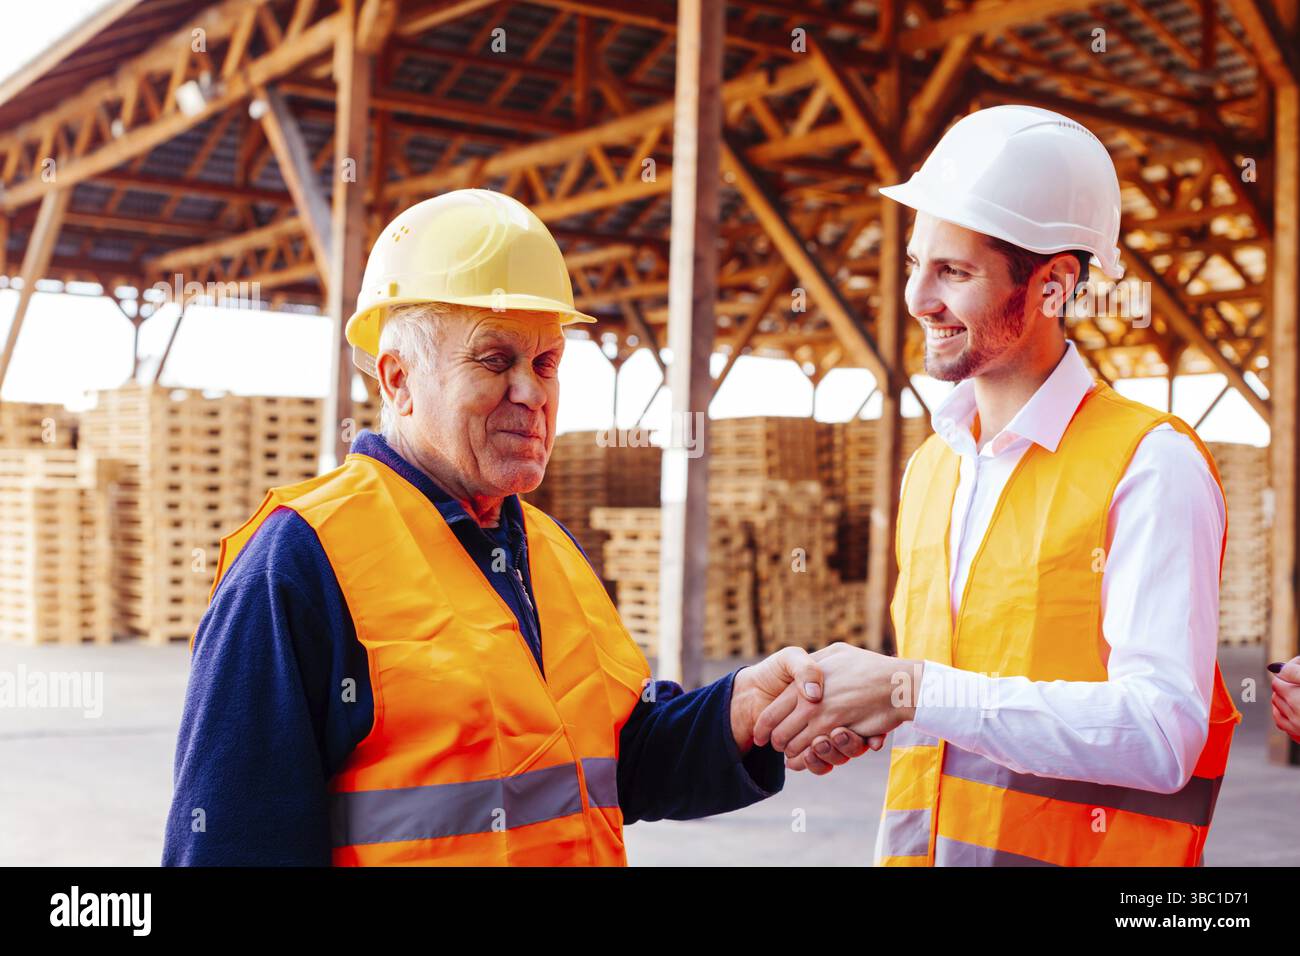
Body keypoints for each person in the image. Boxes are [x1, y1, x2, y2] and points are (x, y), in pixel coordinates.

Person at [163, 189, 874, 867]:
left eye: (546, 363)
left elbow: (618, 759)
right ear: (397, 379)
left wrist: (736, 713)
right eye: (495, 360)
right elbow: (231, 841)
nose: (530, 392)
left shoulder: (548, 551)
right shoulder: (300, 564)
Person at [756, 105, 1242, 867]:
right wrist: (870, 716)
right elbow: (953, 697)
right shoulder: (933, 469)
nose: (917, 297)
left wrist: (913, 691)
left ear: (1052, 286)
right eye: (917, 263)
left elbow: (1160, 735)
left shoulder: (1150, 465)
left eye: (953, 271)